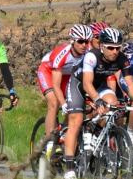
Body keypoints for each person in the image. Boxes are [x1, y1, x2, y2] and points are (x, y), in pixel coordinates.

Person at [61, 28, 133, 179]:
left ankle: (95, 133)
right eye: (110, 47)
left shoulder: (122, 59)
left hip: (100, 85)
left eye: (117, 48)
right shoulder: (91, 56)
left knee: (113, 105)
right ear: (101, 46)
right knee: (76, 119)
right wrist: (97, 100)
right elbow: (87, 83)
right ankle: (69, 168)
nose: (115, 51)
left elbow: (130, 84)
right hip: (79, 84)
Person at [35, 24, 92, 157]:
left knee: (74, 106)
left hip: (68, 75)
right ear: (72, 41)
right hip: (48, 72)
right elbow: (55, 85)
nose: (84, 45)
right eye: (80, 41)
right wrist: (63, 104)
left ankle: (65, 133)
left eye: (87, 41)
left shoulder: (88, 53)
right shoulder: (62, 54)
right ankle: (49, 142)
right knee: (54, 102)